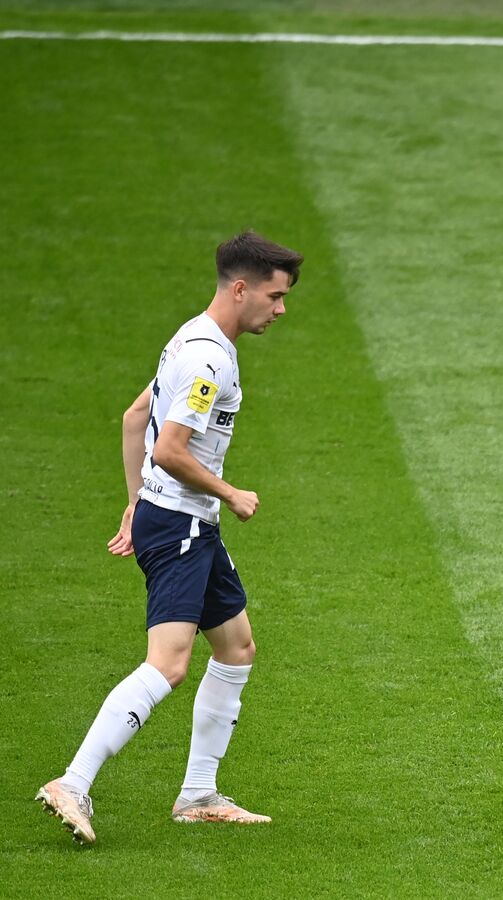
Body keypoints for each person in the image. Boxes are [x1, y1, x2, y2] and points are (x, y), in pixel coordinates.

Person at [36, 232, 303, 845]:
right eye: (275, 295)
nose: (281, 309)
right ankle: (73, 782)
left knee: (236, 648)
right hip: (182, 522)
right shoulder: (209, 358)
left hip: (179, 518)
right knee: (171, 664)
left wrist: (135, 501)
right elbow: (169, 447)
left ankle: (198, 794)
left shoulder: (190, 336)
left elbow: (136, 417)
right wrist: (230, 492)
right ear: (242, 288)